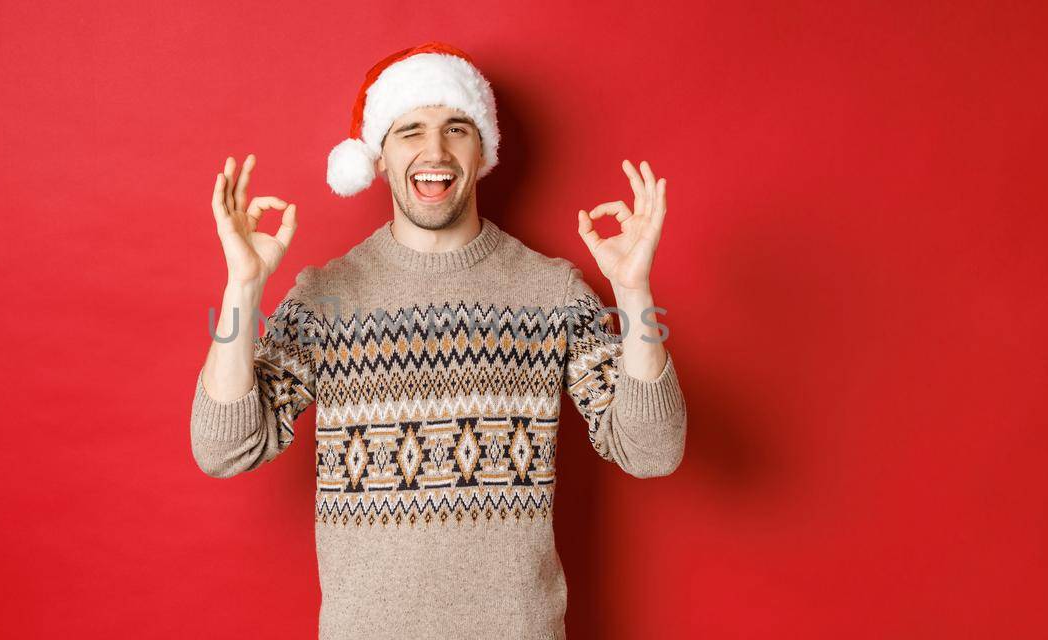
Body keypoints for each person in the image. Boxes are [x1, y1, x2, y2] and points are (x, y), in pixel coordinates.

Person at [190, 41, 687, 640]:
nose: (435, 151)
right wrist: (242, 288)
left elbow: (652, 450)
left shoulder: (550, 291)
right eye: (410, 131)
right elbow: (224, 447)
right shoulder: (328, 296)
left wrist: (633, 294)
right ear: (377, 155)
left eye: (456, 128)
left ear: (482, 151)